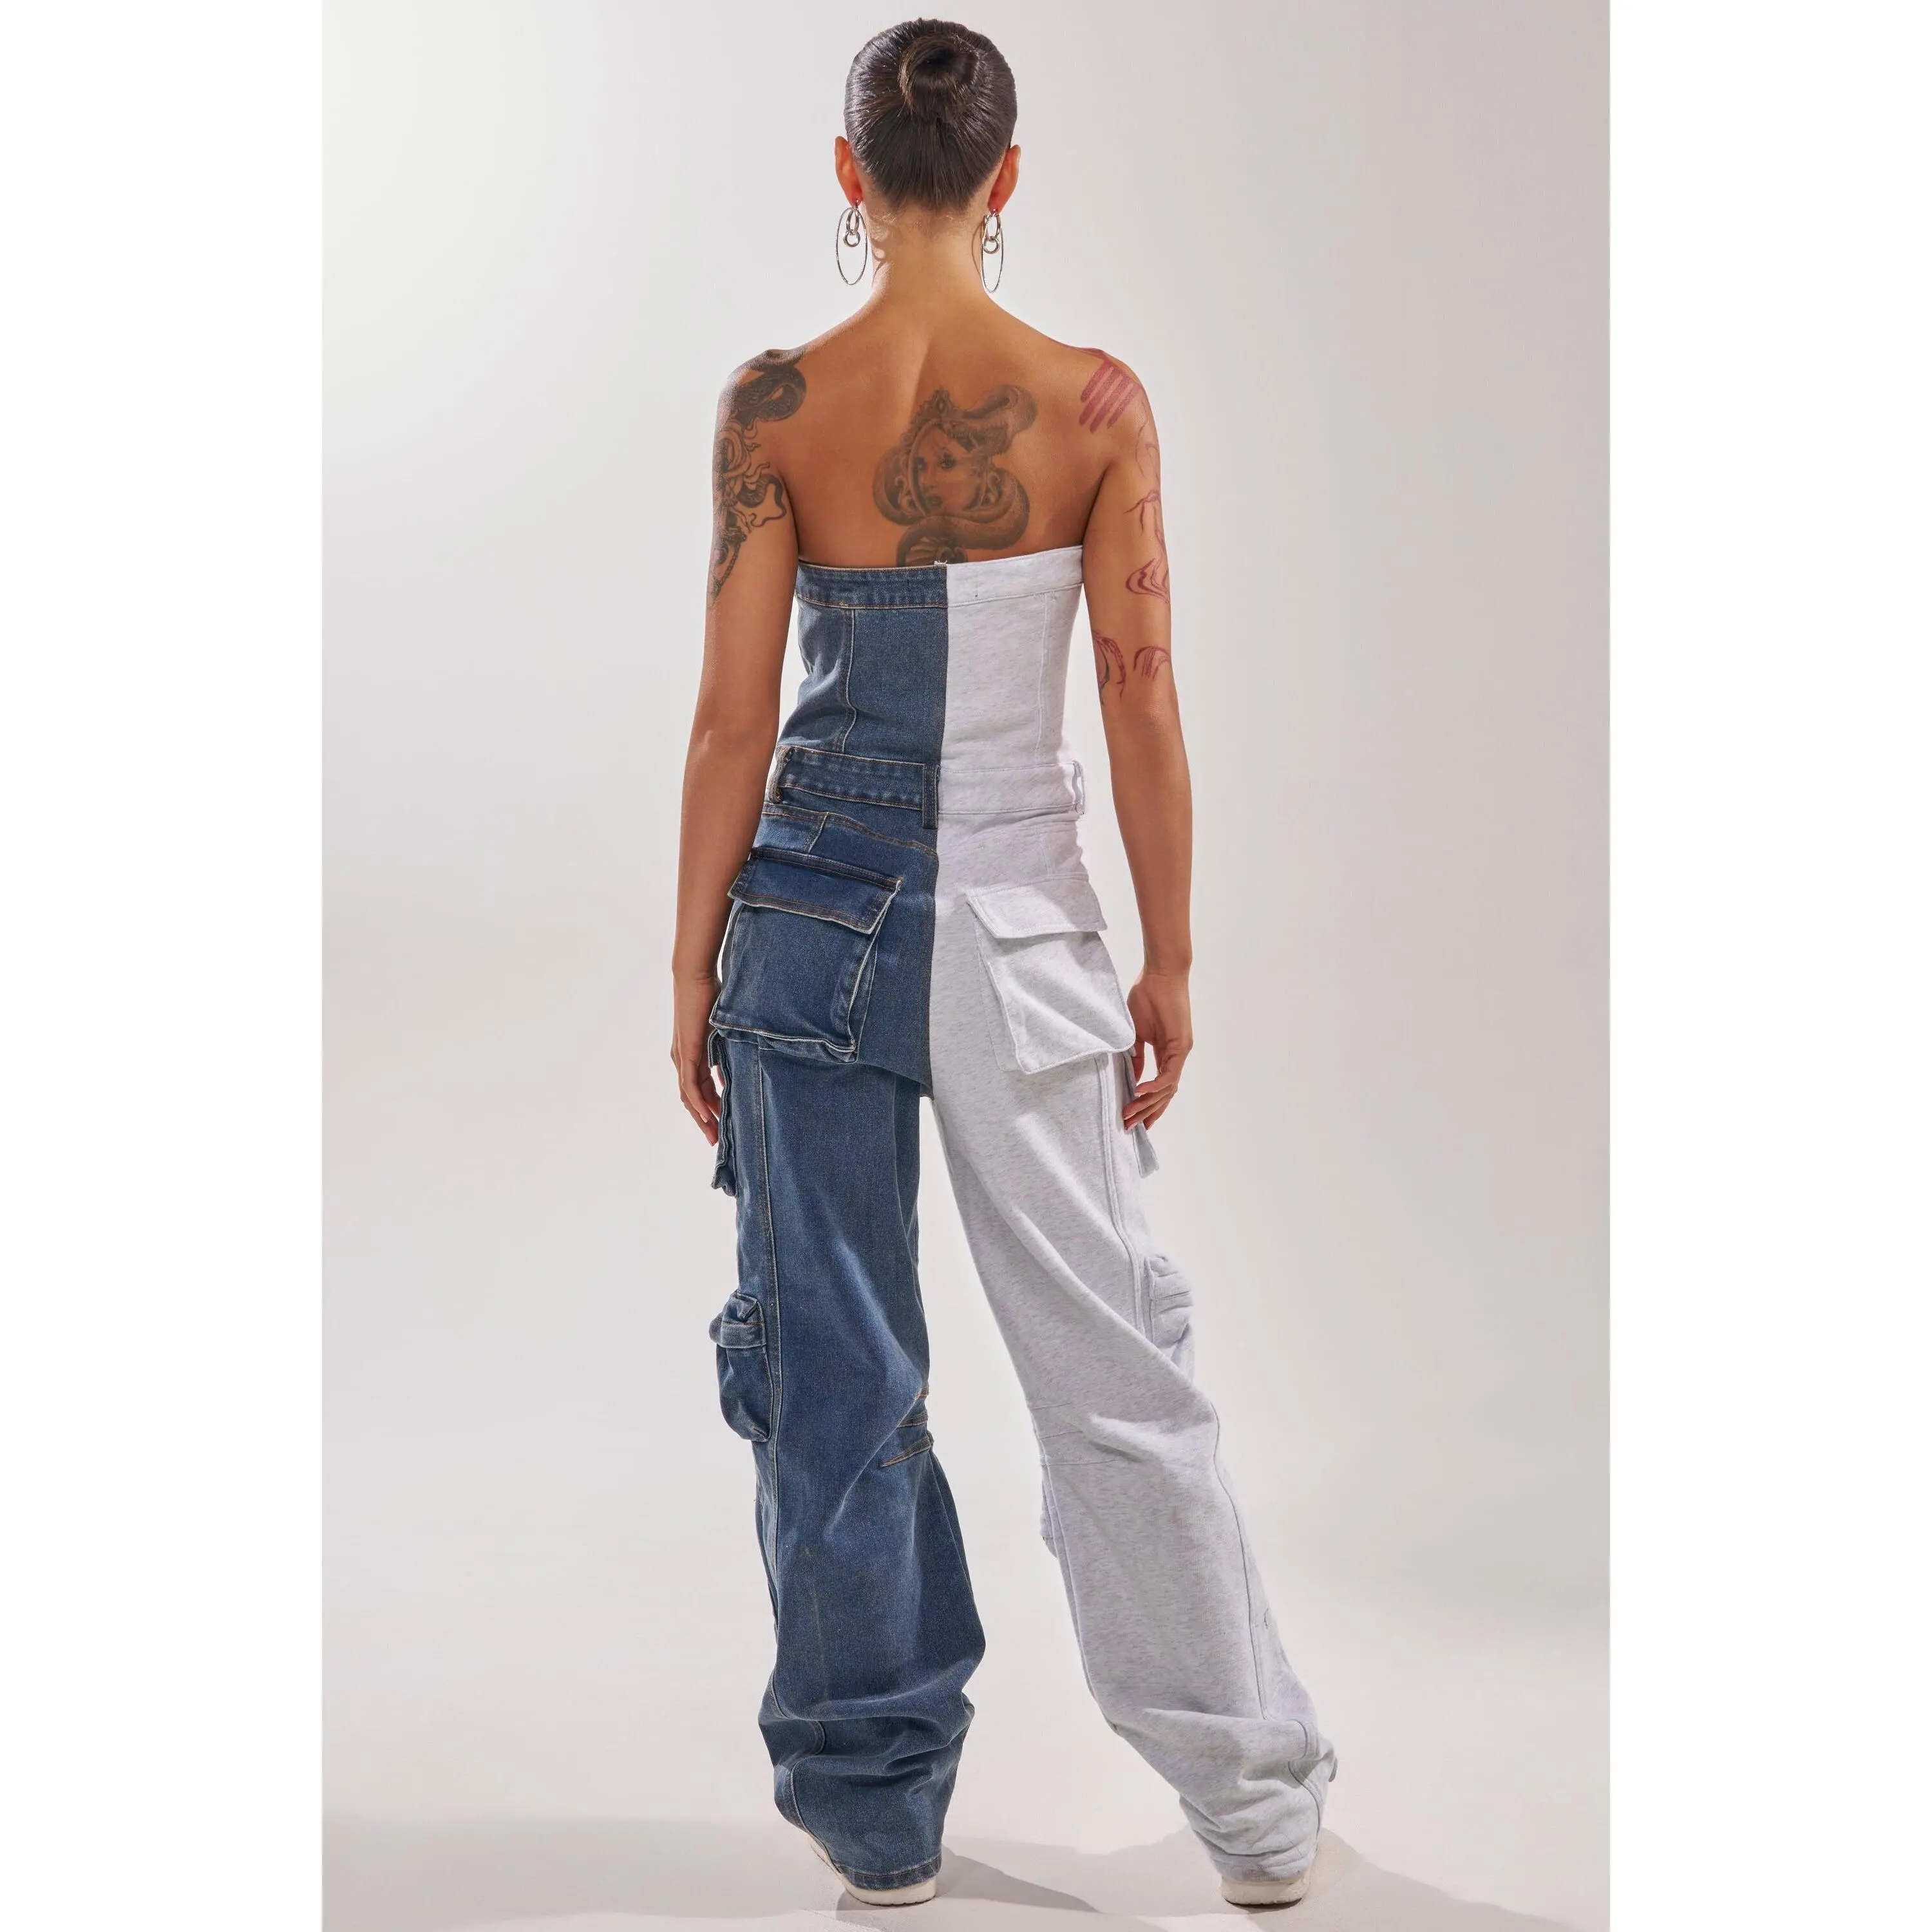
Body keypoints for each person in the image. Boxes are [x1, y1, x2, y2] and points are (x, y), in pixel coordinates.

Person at [671, 18, 1335, 1911]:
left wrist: (690, 968)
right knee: (1114, 1372)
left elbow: (731, 725)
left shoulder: (773, 406)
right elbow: (1142, 706)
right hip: (1029, 933)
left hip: (809, 930)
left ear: (848, 172)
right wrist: (1172, 959)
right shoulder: (1097, 409)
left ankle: (880, 1820)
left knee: (834, 1374)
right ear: (1007, 175)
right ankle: (1258, 1816)